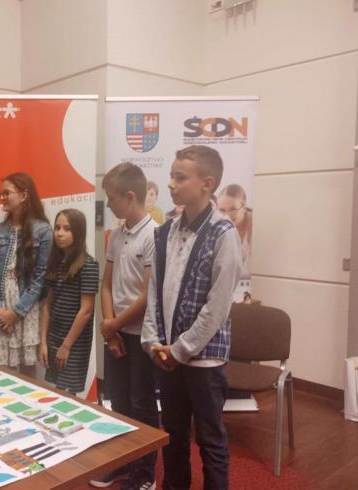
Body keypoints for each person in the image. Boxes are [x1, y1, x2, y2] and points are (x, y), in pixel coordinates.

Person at [141, 145, 242, 490]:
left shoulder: (223, 234)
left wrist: (180, 350)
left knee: (211, 440)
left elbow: (218, 306)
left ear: (207, 183)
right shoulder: (166, 230)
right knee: (173, 433)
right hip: (167, 355)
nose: (171, 184)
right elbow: (155, 289)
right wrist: (154, 342)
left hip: (203, 360)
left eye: (180, 177)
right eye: (171, 175)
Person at [91, 163, 158, 490]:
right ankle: (123, 462)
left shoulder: (154, 235)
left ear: (130, 197)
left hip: (141, 338)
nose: (108, 204)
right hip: (116, 333)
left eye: (112, 198)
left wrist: (113, 325)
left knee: (141, 404)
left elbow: (147, 295)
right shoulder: (116, 236)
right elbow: (106, 285)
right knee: (118, 403)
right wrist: (110, 329)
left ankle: (145, 473)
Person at [0, 172, 52, 377]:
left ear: (23, 195)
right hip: (1, 303)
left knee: (27, 370)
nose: (2, 198)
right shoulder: (0, 230)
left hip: (25, 306)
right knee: (1, 369)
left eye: (7, 193)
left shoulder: (43, 230)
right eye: (1, 194)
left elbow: (41, 277)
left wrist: (15, 313)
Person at [39, 209, 99, 395]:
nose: (60, 233)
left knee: (68, 393)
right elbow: (48, 305)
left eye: (67, 228)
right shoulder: (55, 263)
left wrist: (66, 346)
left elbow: (86, 311)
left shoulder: (88, 265)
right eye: (57, 227)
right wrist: (43, 342)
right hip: (54, 336)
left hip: (74, 341)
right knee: (57, 390)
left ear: (78, 232)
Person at [217, 183, 252, 278]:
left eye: (233, 209)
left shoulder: (258, 226)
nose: (227, 216)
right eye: (222, 210)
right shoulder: (217, 228)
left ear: (244, 208)